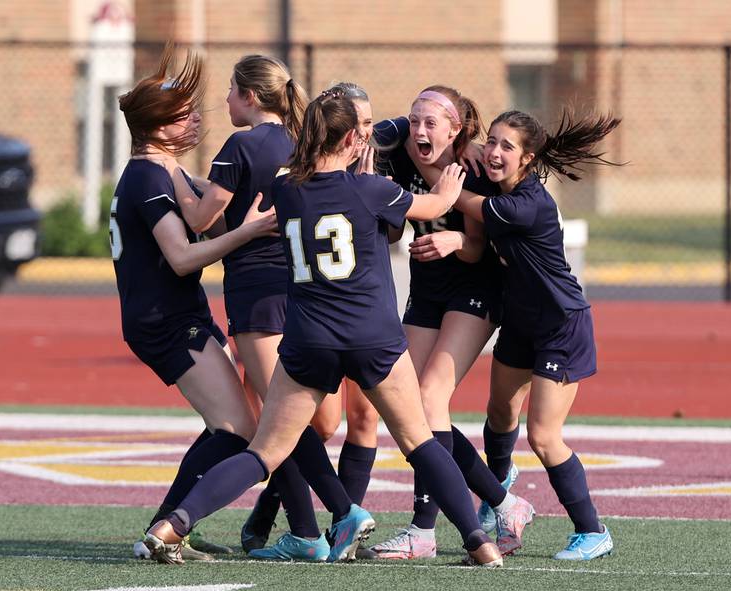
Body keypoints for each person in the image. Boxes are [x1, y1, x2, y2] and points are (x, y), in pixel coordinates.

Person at [141, 89, 503, 568]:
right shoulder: (370, 188)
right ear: (354, 139)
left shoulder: (288, 188)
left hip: (309, 338)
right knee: (419, 441)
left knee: (265, 453)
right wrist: (454, 178)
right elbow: (435, 201)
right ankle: (481, 543)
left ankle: (174, 524)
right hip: (371, 337)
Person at [169, 55, 362, 562]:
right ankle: (307, 525)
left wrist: (172, 174)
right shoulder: (301, 142)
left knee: (279, 423)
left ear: (251, 97)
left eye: (232, 91)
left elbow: (200, 219)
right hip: (300, 286)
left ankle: (334, 517)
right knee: (288, 420)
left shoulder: (242, 145)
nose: (226, 100)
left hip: (256, 292)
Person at [418, 107, 621, 560]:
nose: (493, 152)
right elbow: (472, 186)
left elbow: (464, 202)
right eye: (490, 141)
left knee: (543, 437)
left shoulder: (526, 204)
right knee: (498, 417)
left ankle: (592, 529)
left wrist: (443, 168)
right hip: (520, 323)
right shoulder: (495, 184)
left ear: (528, 159)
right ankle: (500, 494)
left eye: (506, 146)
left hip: (560, 327)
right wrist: (462, 149)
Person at [111, 44, 277, 561]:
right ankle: (168, 529)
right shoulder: (146, 176)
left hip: (179, 314)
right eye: (182, 116)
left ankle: (166, 527)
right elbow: (182, 258)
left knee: (224, 426)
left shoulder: (168, 171)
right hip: (165, 320)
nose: (194, 121)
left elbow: (212, 211)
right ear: (157, 128)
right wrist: (247, 233)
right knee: (240, 430)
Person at [369, 86, 533, 560]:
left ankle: (423, 529)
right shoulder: (396, 156)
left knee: (428, 397)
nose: (420, 130)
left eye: (432, 123)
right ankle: (505, 502)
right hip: (426, 290)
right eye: (415, 120)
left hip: (474, 288)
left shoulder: (474, 165)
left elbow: (479, 246)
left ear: (456, 130)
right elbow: (392, 213)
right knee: (405, 403)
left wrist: (453, 242)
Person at [244, 82, 381, 561]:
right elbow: (217, 212)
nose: (365, 134)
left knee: (363, 418)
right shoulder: (284, 170)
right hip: (298, 304)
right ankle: (290, 519)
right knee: (312, 425)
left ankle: (341, 524)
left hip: (363, 305)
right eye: (358, 126)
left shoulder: (371, 167)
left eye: (370, 125)